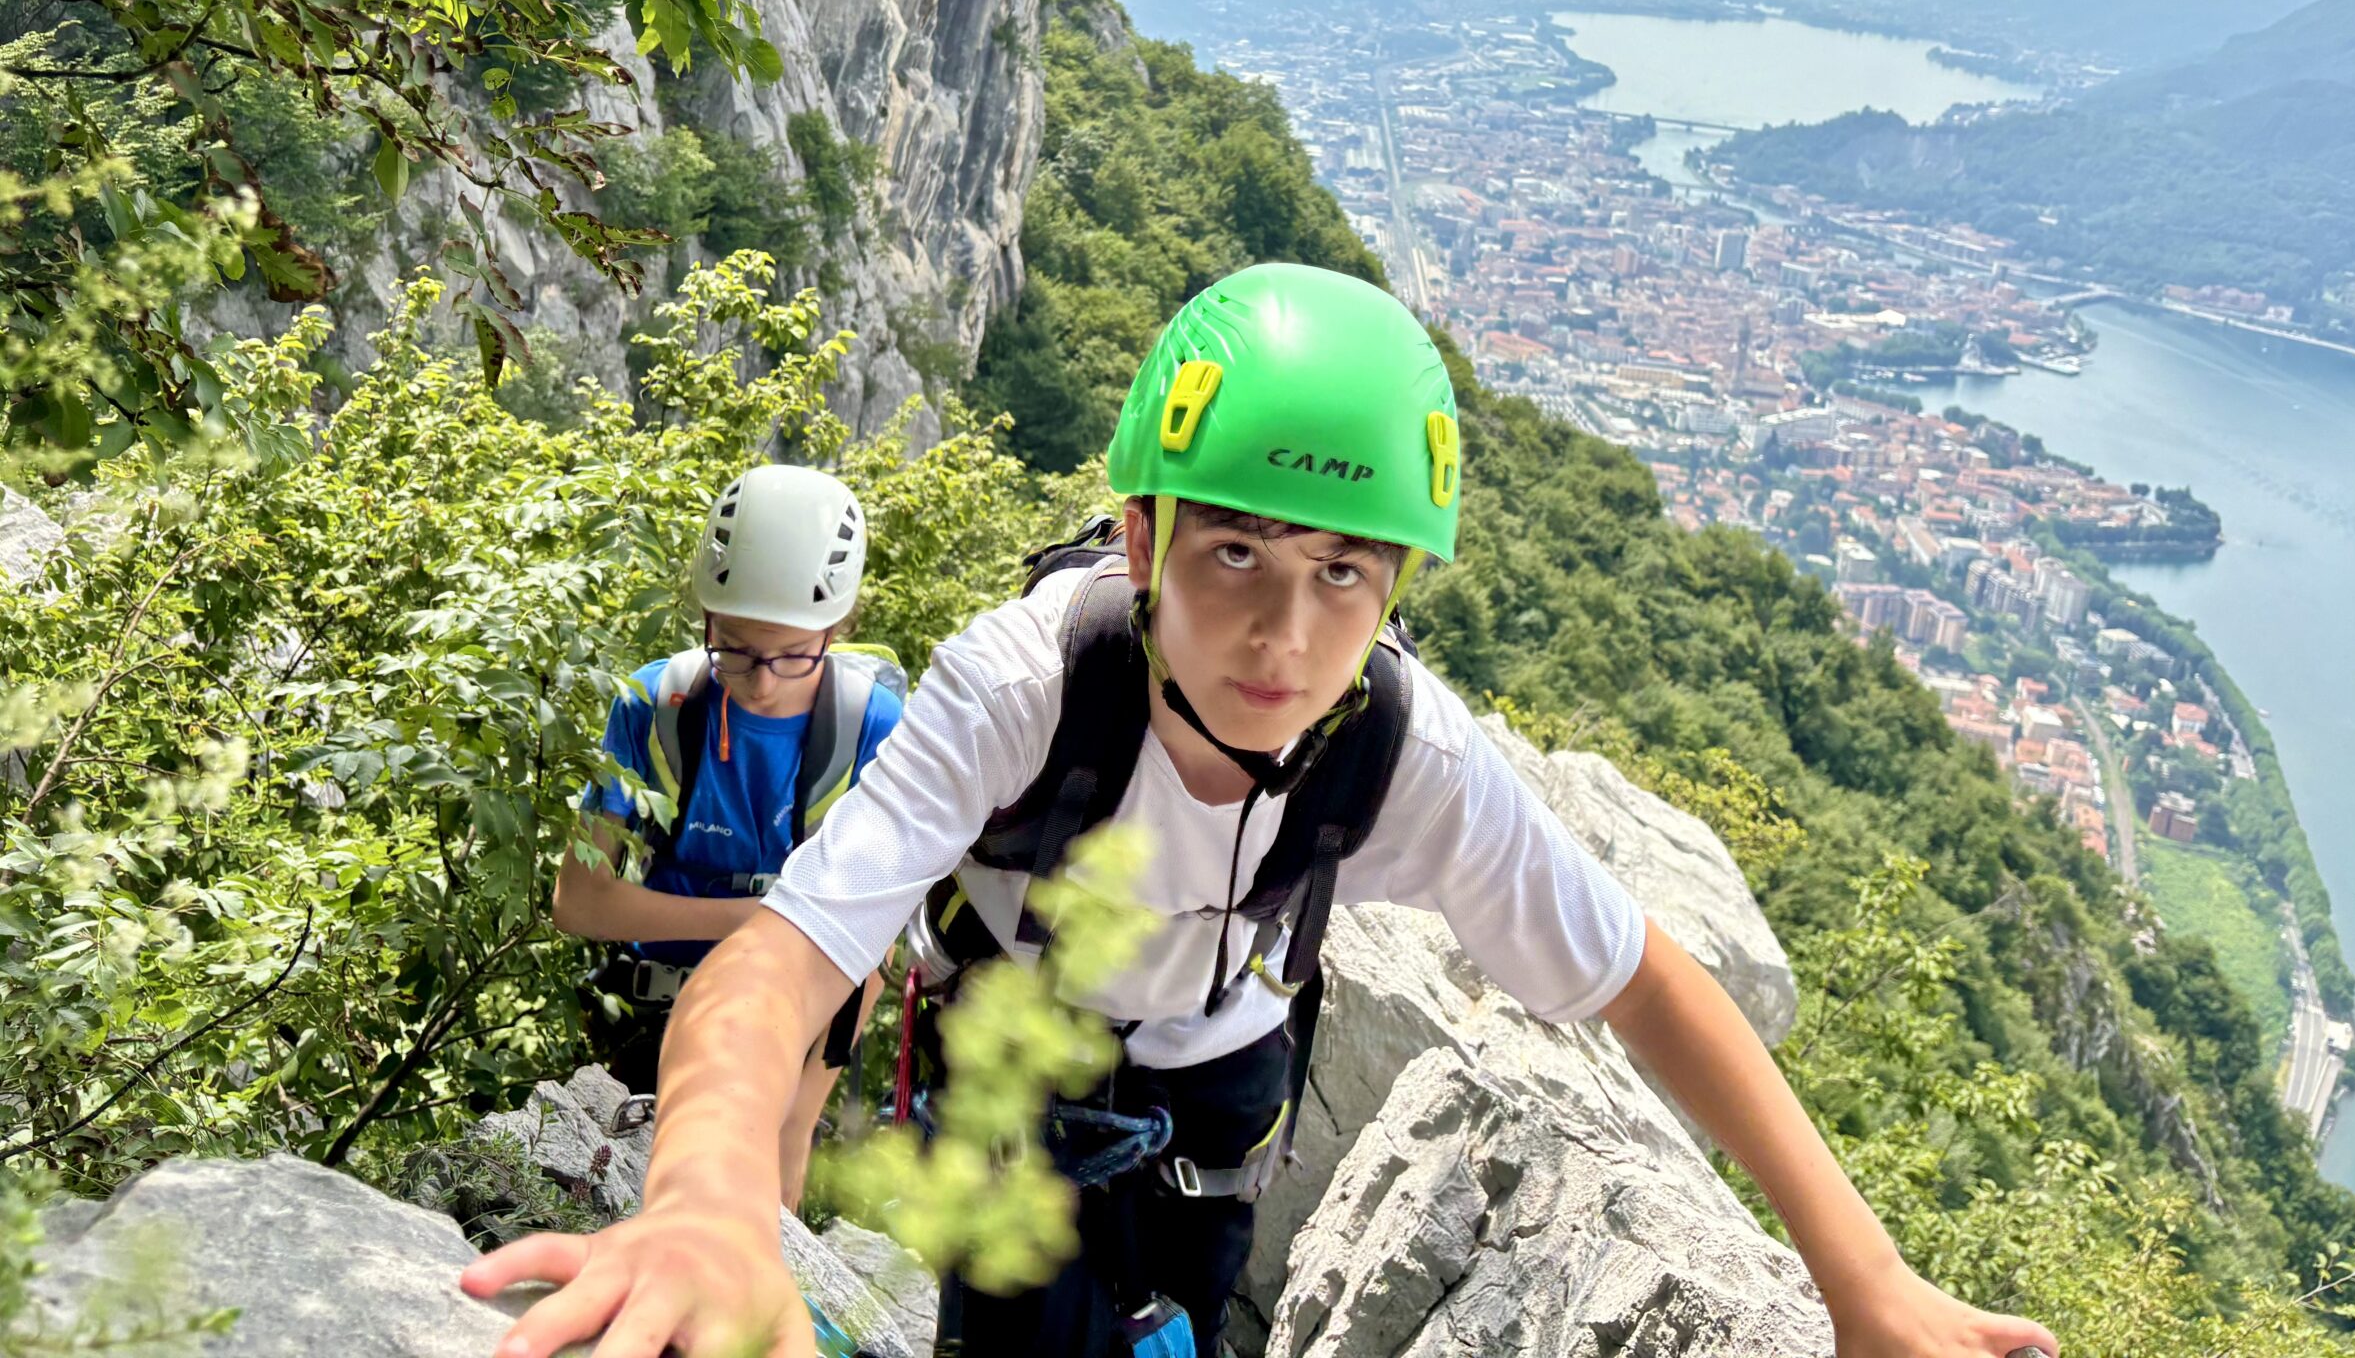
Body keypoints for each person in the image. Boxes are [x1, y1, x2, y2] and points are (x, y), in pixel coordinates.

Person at [469, 265, 2058, 1358]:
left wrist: (1866, 1282)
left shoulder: (1400, 752)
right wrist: (701, 1199)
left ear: (1397, 588)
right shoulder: (1029, 683)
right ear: (1143, 537)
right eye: (1235, 553)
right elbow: (785, 955)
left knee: (1193, 1294)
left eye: (1342, 574)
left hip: (1226, 1076)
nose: (1284, 639)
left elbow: (1643, 978)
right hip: (1020, 1062)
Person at [550, 463, 904, 1211]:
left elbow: (873, 944)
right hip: (644, 1032)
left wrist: (797, 1120)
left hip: (791, 1037)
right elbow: (578, 900)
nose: (763, 681)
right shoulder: (658, 705)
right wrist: (758, 919)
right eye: (736, 649)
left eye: (793, 654)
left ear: (838, 630)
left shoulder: (874, 731)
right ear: (706, 619)